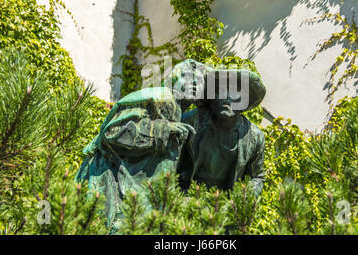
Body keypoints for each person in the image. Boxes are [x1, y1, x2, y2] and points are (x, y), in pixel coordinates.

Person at [76, 59, 206, 233]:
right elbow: (113, 132)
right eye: (190, 80)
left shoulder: (178, 110)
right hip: (111, 180)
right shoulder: (161, 97)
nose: (195, 86)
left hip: (136, 194)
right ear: (175, 78)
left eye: (200, 84)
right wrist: (165, 129)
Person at [178, 67, 267, 196]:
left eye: (235, 93)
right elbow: (168, 163)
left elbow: (257, 177)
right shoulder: (190, 122)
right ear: (212, 97)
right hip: (186, 199)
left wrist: (244, 198)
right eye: (221, 91)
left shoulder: (255, 137)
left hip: (226, 206)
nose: (227, 98)